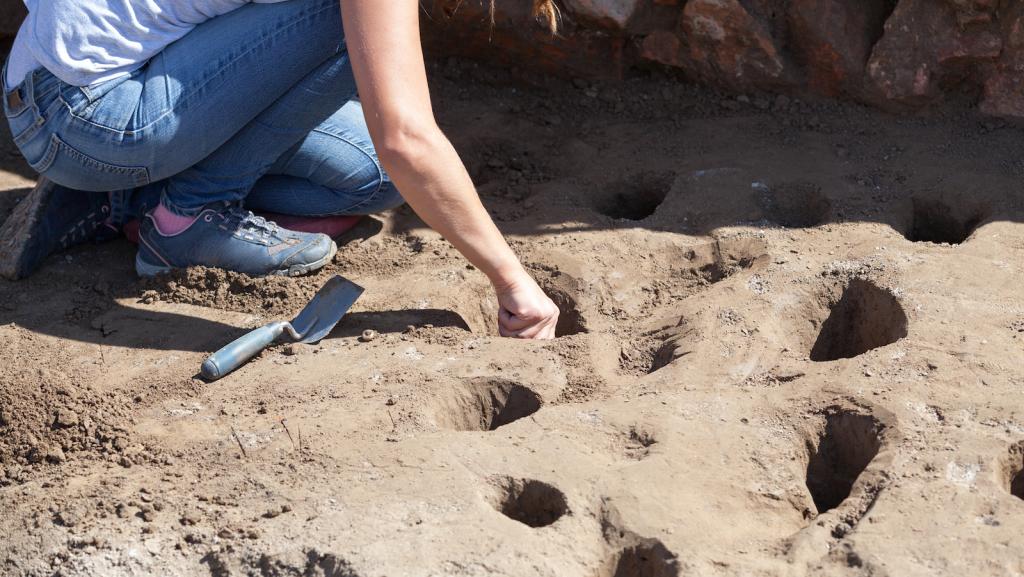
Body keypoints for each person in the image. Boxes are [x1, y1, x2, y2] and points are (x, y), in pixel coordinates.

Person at [0, 0, 560, 339]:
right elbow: (406, 137)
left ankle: (130, 196)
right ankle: (188, 215)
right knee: (345, 23)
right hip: (82, 112)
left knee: (377, 177)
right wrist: (513, 283)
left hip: (93, 81)